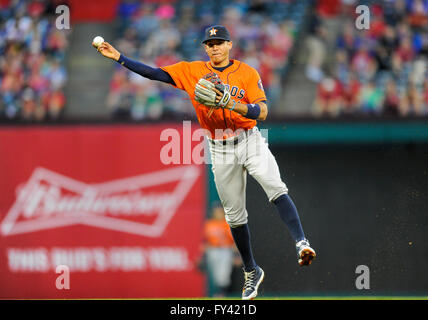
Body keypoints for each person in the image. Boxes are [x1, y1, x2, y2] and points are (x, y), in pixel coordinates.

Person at [94, 25, 316, 300]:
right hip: (219, 147)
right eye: (210, 44)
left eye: (220, 42)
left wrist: (230, 103)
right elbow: (156, 74)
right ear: (205, 48)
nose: (215, 47)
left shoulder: (247, 73)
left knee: (275, 186)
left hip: (248, 138)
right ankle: (251, 270)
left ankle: (300, 242)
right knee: (234, 215)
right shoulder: (192, 70)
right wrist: (120, 58)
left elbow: (263, 111)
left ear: (230, 45)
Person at [203, 204, 240, 297]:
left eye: (220, 211)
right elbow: (205, 241)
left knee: (223, 274)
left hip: (225, 250)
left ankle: (221, 293)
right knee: (215, 275)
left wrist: (236, 255)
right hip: (212, 251)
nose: (218, 213)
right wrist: (202, 256)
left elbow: (234, 242)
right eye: (216, 212)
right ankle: (219, 292)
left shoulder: (227, 224)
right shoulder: (209, 224)